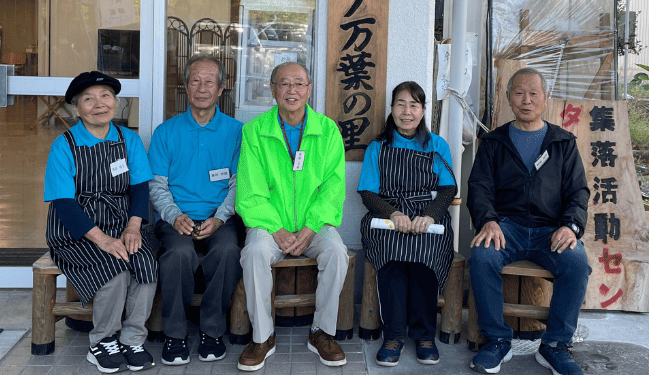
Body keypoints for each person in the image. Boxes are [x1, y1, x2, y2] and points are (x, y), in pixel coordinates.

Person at [467, 67, 590, 375]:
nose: (526, 100)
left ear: (545, 98)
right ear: (509, 97)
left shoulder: (562, 142)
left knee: (576, 260)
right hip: (507, 227)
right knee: (482, 256)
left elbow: (578, 192)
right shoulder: (493, 142)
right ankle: (496, 340)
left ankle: (555, 346)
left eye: (534, 94)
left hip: (552, 229)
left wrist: (570, 226)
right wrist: (488, 220)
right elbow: (479, 188)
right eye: (519, 93)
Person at [235, 61, 349, 372]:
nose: (292, 90)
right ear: (272, 90)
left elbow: (333, 187)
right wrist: (276, 229)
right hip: (269, 225)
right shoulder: (255, 131)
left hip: (315, 225)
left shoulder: (327, 131)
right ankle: (262, 337)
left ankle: (321, 332)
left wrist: (311, 228)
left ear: (309, 90)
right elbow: (249, 190)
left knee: (338, 252)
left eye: (299, 83)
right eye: (284, 83)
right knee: (255, 252)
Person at [43, 71, 158, 373]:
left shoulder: (127, 139)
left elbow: (140, 188)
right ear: (76, 108)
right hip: (77, 232)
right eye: (88, 99)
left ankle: (133, 339)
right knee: (115, 269)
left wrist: (133, 226)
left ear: (115, 102)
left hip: (122, 224)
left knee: (146, 263)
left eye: (105, 96)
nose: (99, 104)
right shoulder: (64, 145)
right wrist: (102, 239)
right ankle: (102, 341)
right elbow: (64, 204)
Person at [148, 54, 243, 365]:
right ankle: (175, 336)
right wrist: (174, 215)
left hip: (220, 217)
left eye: (209, 82)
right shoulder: (166, 131)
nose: (202, 88)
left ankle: (212, 330)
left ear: (221, 88)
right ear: (185, 86)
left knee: (228, 251)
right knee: (178, 254)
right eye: (195, 81)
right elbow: (157, 185)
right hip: (176, 218)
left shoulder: (237, 132)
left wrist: (219, 217)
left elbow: (238, 185)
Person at [357, 81, 457, 367]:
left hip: (428, 215)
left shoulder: (437, 145)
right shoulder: (378, 147)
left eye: (414, 105)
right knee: (393, 258)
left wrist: (430, 216)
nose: (407, 111)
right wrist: (393, 214)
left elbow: (449, 189)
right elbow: (367, 193)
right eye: (401, 104)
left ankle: (425, 335)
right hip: (387, 217)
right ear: (391, 108)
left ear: (423, 111)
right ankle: (394, 336)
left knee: (425, 257)